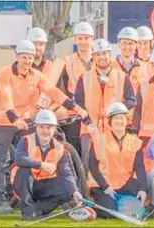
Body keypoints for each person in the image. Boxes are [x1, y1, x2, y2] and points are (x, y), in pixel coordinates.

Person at [0, 40, 88, 214]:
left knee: (34, 151)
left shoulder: (36, 75)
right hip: (4, 120)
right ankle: (0, 199)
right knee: (2, 161)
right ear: (16, 57)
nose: (27, 61)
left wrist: (75, 107)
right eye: (23, 57)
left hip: (26, 120)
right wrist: (14, 118)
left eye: (30, 58)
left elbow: (54, 92)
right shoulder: (5, 73)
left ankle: (48, 192)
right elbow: (5, 97)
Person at [74, 38, 137, 174]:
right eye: (98, 54)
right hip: (89, 130)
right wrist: (88, 122)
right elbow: (78, 103)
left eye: (105, 53)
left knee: (113, 163)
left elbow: (132, 100)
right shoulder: (84, 78)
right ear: (93, 57)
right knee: (87, 163)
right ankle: (88, 193)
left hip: (113, 130)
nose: (102, 57)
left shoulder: (122, 77)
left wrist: (114, 110)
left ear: (110, 54)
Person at [10, 110, 83, 220]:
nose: (45, 131)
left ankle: (40, 210)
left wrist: (75, 192)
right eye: (42, 127)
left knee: (67, 190)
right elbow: (19, 159)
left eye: (49, 127)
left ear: (54, 129)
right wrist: (41, 165)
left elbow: (66, 173)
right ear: (36, 127)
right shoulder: (26, 141)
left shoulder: (60, 148)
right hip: (22, 184)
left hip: (43, 186)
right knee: (25, 171)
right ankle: (28, 213)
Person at [88, 102, 148, 218]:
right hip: (103, 186)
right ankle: (96, 206)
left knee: (135, 194)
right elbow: (92, 166)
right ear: (110, 121)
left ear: (127, 120)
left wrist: (143, 189)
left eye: (122, 118)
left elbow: (140, 167)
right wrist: (105, 187)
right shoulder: (99, 139)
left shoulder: (135, 141)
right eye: (116, 118)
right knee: (109, 213)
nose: (119, 121)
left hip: (124, 185)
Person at [55, 21, 95, 154]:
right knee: (75, 152)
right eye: (80, 38)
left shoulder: (101, 59)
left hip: (96, 112)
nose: (83, 42)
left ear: (92, 39)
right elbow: (61, 89)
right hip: (74, 114)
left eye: (86, 38)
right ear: (75, 40)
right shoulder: (67, 62)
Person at [112, 27, 142, 97]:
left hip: (136, 107)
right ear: (118, 44)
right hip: (115, 107)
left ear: (136, 45)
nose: (127, 47)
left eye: (131, 43)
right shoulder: (110, 65)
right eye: (124, 43)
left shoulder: (143, 67)